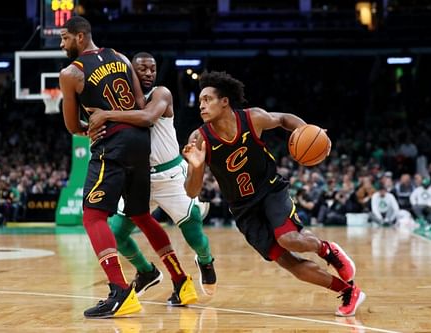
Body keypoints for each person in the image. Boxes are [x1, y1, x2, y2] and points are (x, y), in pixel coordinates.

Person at [182, 71, 365, 317]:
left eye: (207, 99)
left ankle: (327, 250)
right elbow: (191, 191)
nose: (202, 106)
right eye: (201, 101)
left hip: (270, 190)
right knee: (290, 264)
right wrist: (195, 167)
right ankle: (348, 291)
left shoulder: (252, 118)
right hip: (243, 209)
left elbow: (283, 119)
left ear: (224, 101)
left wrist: (307, 130)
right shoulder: (199, 139)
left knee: (289, 239)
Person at [58, 17, 197, 318]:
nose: (62, 43)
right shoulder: (120, 57)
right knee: (140, 214)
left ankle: (120, 291)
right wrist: (114, 116)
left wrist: (93, 125)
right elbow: (138, 104)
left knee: (93, 217)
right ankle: (181, 280)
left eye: (65, 37)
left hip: (113, 145)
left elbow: (71, 125)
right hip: (139, 143)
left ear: (81, 37)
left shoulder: (70, 73)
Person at [87, 52, 217, 299]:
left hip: (170, 176)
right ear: (130, 74)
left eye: (152, 69)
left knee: (194, 234)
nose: (148, 73)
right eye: (142, 70)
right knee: (117, 234)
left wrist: (106, 115)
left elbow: (147, 118)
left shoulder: (161, 93)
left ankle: (206, 260)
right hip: (139, 178)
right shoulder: (122, 103)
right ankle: (147, 272)